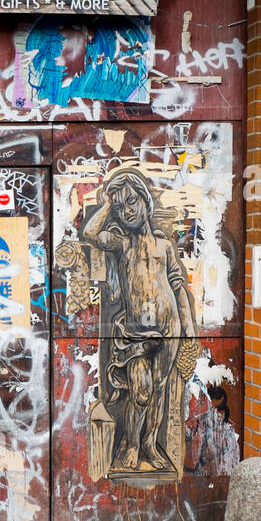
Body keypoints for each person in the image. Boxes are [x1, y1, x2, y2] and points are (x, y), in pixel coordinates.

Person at [81, 167, 197, 474]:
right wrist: (108, 203)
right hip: (134, 333)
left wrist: (188, 330)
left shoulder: (165, 246)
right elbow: (89, 233)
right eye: (121, 207)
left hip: (168, 328)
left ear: (145, 201)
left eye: (131, 201)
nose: (127, 210)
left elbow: (177, 287)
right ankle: (130, 445)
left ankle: (148, 445)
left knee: (156, 388)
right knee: (140, 390)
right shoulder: (122, 244)